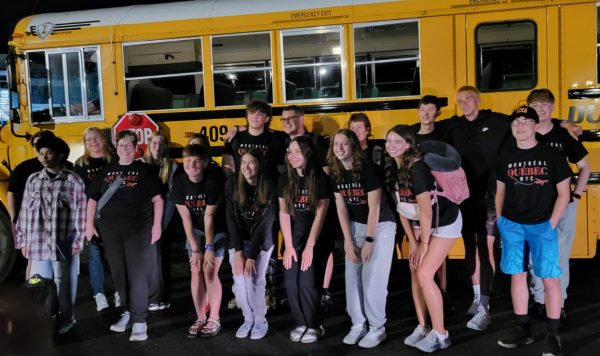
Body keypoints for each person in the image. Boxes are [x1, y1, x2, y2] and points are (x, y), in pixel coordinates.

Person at [495, 106, 571, 355]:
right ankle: (522, 326)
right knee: (517, 275)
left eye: (527, 121)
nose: (521, 125)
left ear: (537, 126)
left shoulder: (552, 155)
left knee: (549, 279)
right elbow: (500, 192)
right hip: (512, 225)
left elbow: (564, 194)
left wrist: (550, 224)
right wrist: (501, 220)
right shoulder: (504, 156)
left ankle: (552, 333)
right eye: (516, 121)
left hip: (542, 225)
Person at [384, 125, 462, 352]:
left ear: (409, 144)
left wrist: (424, 245)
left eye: (398, 141)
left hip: (444, 222)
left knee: (425, 274)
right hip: (421, 224)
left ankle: (441, 334)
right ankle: (422, 326)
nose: (391, 146)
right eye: (389, 141)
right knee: (414, 268)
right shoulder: (392, 168)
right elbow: (402, 209)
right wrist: (413, 242)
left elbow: (427, 211)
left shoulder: (417, 169)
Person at [85, 130, 163, 342]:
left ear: (136, 148)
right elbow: (92, 199)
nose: (125, 148)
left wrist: (157, 227)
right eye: (121, 144)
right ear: (116, 147)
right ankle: (128, 312)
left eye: (129, 144)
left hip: (139, 229)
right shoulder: (106, 170)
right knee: (119, 274)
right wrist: (88, 225)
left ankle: (140, 321)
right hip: (110, 231)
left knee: (137, 274)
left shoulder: (145, 170)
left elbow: (158, 200)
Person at [526, 89, 591, 326]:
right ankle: (540, 300)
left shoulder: (563, 134)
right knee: (535, 255)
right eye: (536, 105)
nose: (541, 109)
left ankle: (559, 302)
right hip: (533, 206)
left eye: (545, 104)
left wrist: (576, 195)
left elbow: (585, 167)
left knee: (560, 255)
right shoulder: (524, 132)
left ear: (552, 106)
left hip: (562, 203)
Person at [328, 128, 396, 348]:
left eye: (344, 144)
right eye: (336, 144)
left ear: (353, 146)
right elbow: (341, 208)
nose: (339, 148)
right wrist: (348, 241)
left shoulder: (367, 169)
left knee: (372, 278)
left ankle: (378, 327)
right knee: (352, 276)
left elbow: (375, 206)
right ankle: (358, 323)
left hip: (380, 225)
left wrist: (369, 240)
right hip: (355, 226)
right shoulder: (336, 172)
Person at [15, 135, 86, 335]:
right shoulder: (33, 180)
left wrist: (79, 240)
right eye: (41, 154)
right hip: (37, 242)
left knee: (65, 285)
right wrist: (22, 240)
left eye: (49, 153)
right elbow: (25, 212)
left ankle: (67, 319)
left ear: (60, 155)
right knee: (40, 285)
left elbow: (81, 212)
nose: (44, 157)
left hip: (64, 241)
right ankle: (42, 321)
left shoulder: (73, 180)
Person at [279, 105, 335, 311]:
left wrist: (312, 195)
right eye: (283, 119)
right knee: (297, 251)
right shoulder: (281, 140)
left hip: (316, 202)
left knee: (322, 248)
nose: (286, 122)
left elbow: (325, 175)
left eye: (291, 118)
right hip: (295, 204)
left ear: (302, 118)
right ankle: (300, 291)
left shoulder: (317, 142)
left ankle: (324, 290)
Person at [172, 144, 227, 338]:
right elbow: (185, 218)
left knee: (209, 270)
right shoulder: (179, 182)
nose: (192, 166)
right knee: (196, 270)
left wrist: (209, 248)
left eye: (196, 162)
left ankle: (214, 318)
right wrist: (196, 249)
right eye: (187, 162)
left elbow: (209, 216)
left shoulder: (213, 182)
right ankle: (200, 316)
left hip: (217, 230)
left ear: (204, 163)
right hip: (194, 230)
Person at [279, 136, 331, 343]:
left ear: (308, 153)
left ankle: (314, 324)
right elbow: (284, 213)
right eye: (289, 151)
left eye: (297, 151)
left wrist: (309, 247)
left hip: (317, 237)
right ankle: (301, 323)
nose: (292, 156)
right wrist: (289, 246)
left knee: (307, 281)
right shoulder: (285, 178)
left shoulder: (320, 178)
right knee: (291, 281)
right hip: (295, 236)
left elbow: (320, 215)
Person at [225, 148, 277, 340]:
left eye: (252, 162)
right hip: (239, 240)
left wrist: (252, 255)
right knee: (240, 281)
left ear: (260, 165)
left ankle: (260, 319)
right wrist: (239, 252)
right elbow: (231, 219)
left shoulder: (270, 185)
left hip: (261, 241)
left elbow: (265, 223)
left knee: (255, 280)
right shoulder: (231, 184)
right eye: (243, 163)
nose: (247, 167)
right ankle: (247, 319)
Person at [409, 95, 454, 312]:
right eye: (423, 109)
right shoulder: (410, 134)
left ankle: (443, 292)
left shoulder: (443, 135)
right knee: (416, 249)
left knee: (438, 252)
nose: (426, 114)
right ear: (418, 111)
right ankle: (421, 295)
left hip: (438, 196)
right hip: (414, 195)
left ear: (437, 113)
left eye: (430, 110)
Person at [73, 127, 118, 312]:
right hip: (91, 215)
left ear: (104, 140)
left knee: (116, 255)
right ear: (85, 143)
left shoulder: (114, 159)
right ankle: (99, 293)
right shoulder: (80, 164)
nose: (93, 142)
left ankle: (119, 290)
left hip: (115, 215)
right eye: (88, 140)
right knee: (94, 255)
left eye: (96, 138)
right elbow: (77, 193)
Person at [144, 131, 179, 311]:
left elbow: (172, 197)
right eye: (154, 143)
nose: (158, 147)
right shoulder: (141, 165)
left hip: (165, 219)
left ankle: (163, 295)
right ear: (149, 144)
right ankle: (151, 296)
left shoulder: (172, 167)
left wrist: (162, 223)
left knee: (163, 258)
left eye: (162, 144)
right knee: (148, 260)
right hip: (145, 220)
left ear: (166, 146)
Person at [222, 100, 286, 178]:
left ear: (267, 119)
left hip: (267, 186)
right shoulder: (234, 137)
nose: (255, 117)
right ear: (247, 117)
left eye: (260, 114)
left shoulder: (276, 139)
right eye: (251, 113)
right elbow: (227, 167)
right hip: (240, 185)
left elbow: (281, 169)